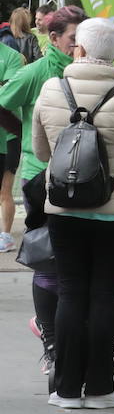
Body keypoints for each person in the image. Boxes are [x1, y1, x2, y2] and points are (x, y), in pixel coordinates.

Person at [33, 18, 114, 409]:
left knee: (71, 292)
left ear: (78, 48)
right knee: (104, 293)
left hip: (62, 208)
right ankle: (100, 388)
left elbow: (42, 154)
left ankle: (66, 389)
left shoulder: (52, 88)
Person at [0, 4, 87, 371]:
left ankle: (66, 334)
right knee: (48, 260)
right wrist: (24, 133)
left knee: (78, 261)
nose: (78, 45)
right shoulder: (35, 71)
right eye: (72, 39)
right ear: (53, 39)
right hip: (42, 177)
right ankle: (51, 340)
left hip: (83, 176)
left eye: (82, 38)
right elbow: (4, 102)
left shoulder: (85, 69)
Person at [0, 37, 24, 253]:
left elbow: (7, 93)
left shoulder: (11, 56)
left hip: (9, 136)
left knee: (5, 190)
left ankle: (5, 236)